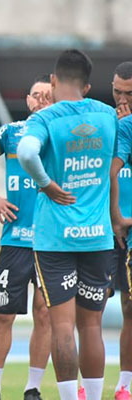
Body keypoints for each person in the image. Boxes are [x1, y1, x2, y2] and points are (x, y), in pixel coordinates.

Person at [18, 49, 117, 400]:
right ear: (88, 85)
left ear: (54, 80)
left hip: (55, 238)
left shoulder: (44, 119)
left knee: (61, 326)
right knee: (92, 326)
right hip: (97, 237)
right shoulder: (108, 116)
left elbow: (27, 154)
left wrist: (46, 184)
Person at [0, 76, 52, 400]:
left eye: (47, 96)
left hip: (52, 242)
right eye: (36, 95)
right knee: (3, 314)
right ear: (27, 100)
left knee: (45, 313)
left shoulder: (61, 133)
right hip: (15, 241)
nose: (41, 100)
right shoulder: (10, 133)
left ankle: (32, 388)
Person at [108, 60, 132, 400]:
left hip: (126, 226)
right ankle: (85, 384)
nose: (122, 99)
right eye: (117, 92)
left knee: (130, 307)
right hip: (103, 228)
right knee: (90, 307)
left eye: (129, 94)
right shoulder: (104, 125)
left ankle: (124, 383)